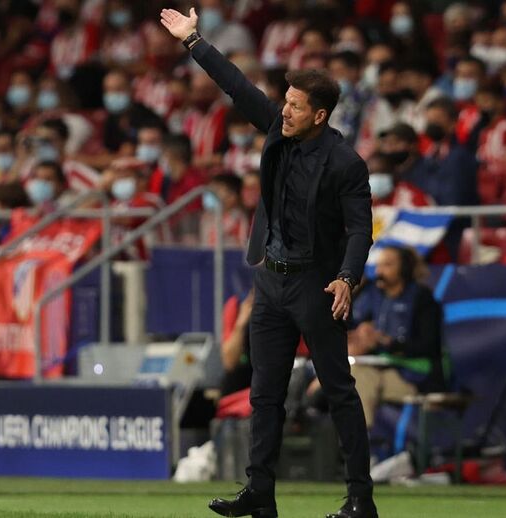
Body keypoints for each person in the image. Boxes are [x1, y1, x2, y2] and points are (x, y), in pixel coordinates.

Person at [161, 8, 376, 518]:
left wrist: (347, 278)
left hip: (316, 286)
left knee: (339, 392)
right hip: (271, 282)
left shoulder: (346, 164)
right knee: (264, 394)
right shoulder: (278, 131)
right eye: (286, 101)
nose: (285, 111)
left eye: (296, 106)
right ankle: (260, 494)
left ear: (319, 116)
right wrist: (193, 40)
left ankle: (360, 499)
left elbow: (360, 229)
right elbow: (237, 86)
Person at [348, 246, 445, 429]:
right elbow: (351, 328)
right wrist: (362, 335)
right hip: (375, 369)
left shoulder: (422, 299)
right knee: (345, 373)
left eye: (387, 265)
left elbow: (429, 346)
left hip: (412, 377)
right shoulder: (372, 295)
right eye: (378, 266)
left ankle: (359, 440)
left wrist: (390, 344)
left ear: (404, 268)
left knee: (357, 378)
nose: (379, 272)